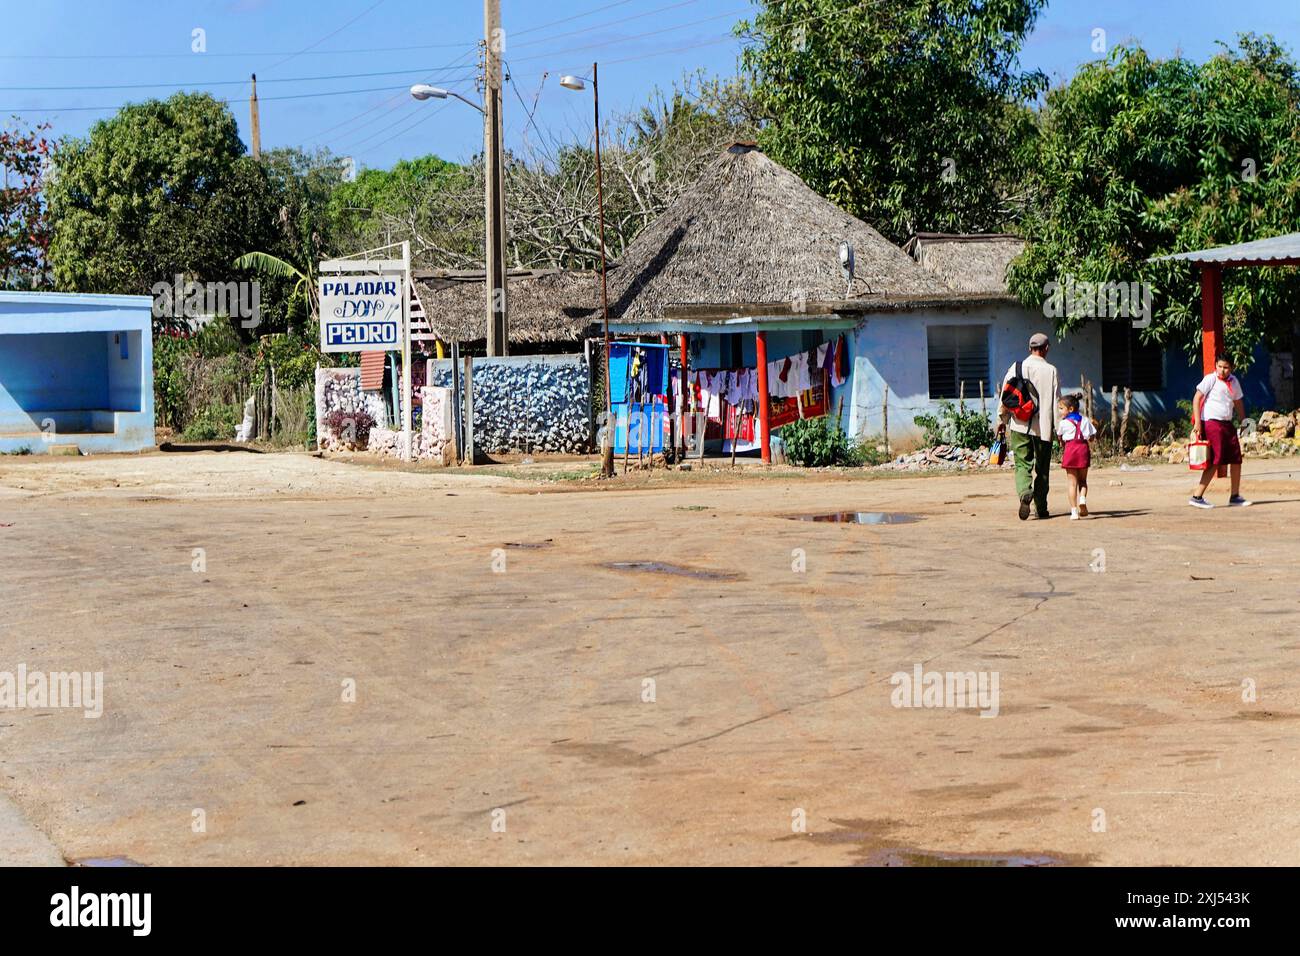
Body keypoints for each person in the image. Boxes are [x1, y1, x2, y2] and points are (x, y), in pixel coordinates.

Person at [997, 332, 1061, 520]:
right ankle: (1041, 508)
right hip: (1043, 426)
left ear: (1029, 348)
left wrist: (1002, 421)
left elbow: (1005, 396)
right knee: (1042, 467)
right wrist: (1060, 430)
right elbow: (1056, 402)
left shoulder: (1016, 367)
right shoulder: (1051, 371)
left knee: (1022, 464)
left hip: (1019, 423)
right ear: (1046, 348)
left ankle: (1025, 491)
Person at [1189, 354, 1251, 509]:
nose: (1222, 370)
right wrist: (1197, 422)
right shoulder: (1211, 379)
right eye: (1220, 366)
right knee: (1216, 459)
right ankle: (1197, 496)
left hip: (1227, 424)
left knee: (1236, 458)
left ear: (1232, 368)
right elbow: (1197, 398)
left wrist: (1244, 422)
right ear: (1216, 365)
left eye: (1226, 367)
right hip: (1211, 423)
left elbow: (1238, 402)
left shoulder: (1234, 382)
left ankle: (1235, 496)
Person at [1056, 394, 1095, 520]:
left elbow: (1059, 437)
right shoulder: (1085, 420)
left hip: (1070, 451)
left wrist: (1062, 443)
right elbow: (1092, 436)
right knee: (1083, 481)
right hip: (1083, 450)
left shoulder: (1063, 423)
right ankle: (1082, 499)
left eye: (1061, 408)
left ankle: (1073, 512)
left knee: (1072, 483)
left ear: (1071, 409)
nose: (1059, 411)